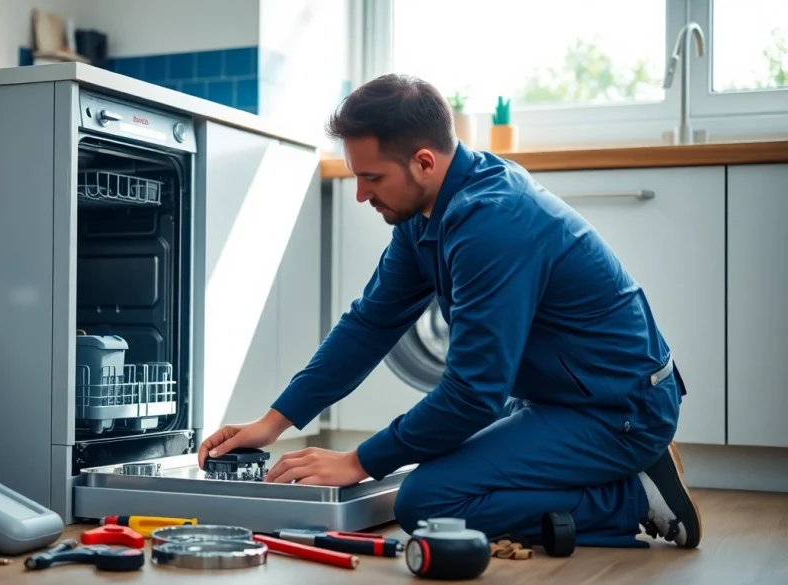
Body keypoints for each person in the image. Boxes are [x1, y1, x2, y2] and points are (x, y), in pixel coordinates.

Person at [197, 73, 702, 550]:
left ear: (423, 162)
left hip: (620, 410)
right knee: (433, 462)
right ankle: (613, 476)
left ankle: (631, 496)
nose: (360, 194)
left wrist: (357, 461)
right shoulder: (426, 214)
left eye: (371, 177)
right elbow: (370, 324)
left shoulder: (493, 223)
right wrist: (273, 421)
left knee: (428, 500)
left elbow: (473, 394)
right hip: (555, 399)